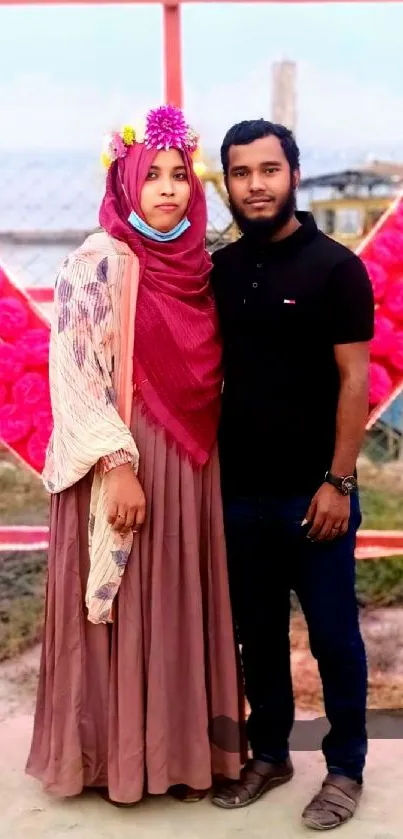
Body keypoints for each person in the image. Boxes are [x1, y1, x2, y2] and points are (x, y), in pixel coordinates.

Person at [26, 106, 245, 806]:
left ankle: (180, 755)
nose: (168, 188)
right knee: (124, 605)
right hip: (120, 459)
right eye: (150, 175)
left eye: (180, 174)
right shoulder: (99, 259)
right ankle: (111, 760)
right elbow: (75, 369)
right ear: (123, 182)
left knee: (179, 598)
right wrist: (116, 466)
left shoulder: (198, 268)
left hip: (188, 459)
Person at [210, 119, 374, 830]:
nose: (255, 184)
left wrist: (336, 482)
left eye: (268, 170)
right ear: (226, 183)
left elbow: (353, 379)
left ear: (293, 175)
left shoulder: (336, 267)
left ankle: (344, 768)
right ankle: (270, 752)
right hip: (238, 494)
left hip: (314, 496)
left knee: (335, 636)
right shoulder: (221, 268)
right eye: (241, 173)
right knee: (258, 634)